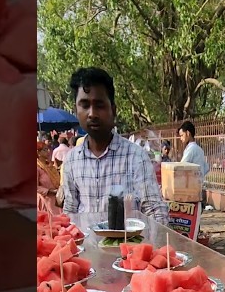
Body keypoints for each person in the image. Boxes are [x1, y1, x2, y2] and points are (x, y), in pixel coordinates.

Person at [60, 67, 169, 223]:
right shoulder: (71, 161)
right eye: (85, 105)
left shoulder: (136, 157)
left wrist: (157, 236)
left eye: (99, 105)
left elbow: (155, 211)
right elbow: (70, 213)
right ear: (76, 110)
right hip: (85, 239)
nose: (92, 114)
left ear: (113, 110)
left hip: (128, 239)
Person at [178, 121, 211, 203]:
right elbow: (206, 168)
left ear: (188, 133)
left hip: (190, 189)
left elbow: (180, 167)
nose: (181, 138)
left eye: (182, 135)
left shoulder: (191, 149)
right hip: (198, 187)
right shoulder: (199, 149)